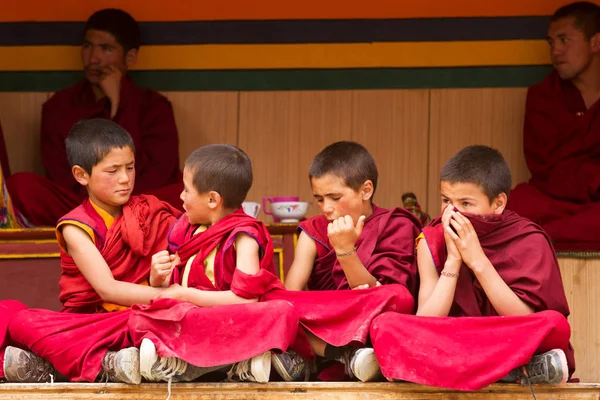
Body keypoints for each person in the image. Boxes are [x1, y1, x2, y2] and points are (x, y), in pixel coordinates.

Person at [370, 145, 574, 390]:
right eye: (446, 200)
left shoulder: (528, 238)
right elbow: (426, 321)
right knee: (386, 325)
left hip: (502, 335)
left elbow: (523, 317)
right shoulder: (432, 239)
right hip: (455, 337)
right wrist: (453, 261)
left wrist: (477, 260)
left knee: (554, 325)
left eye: (466, 203)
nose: (452, 212)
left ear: (498, 203)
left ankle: (441, 371)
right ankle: (514, 371)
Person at [2, 119, 180, 384]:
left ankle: (72, 362)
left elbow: (184, 260)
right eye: (113, 171)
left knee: (170, 319)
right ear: (81, 175)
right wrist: (173, 296)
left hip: (143, 315)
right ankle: (110, 361)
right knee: (19, 319)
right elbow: (107, 290)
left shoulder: (150, 213)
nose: (125, 179)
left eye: (130, 168)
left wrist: (164, 279)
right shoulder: (76, 227)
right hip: (94, 323)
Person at [126, 144, 302, 384]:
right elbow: (178, 282)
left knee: (282, 312)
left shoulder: (243, 236)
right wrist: (157, 277)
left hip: (228, 321)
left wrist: (186, 295)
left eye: (186, 190)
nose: (181, 197)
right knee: (140, 317)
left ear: (212, 199)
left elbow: (246, 300)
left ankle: (186, 364)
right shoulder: (188, 230)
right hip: (195, 319)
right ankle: (239, 362)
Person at [7, 8, 183, 226]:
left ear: (130, 57)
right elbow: (61, 177)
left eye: (106, 48)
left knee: (187, 192)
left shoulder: (154, 107)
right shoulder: (59, 106)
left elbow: (158, 175)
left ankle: (118, 225)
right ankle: (112, 225)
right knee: (21, 185)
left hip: (140, 204)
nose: (93, 58)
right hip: (82, 205)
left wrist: (119, 104)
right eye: (88, 46)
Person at [270, 141, 420, 382]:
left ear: (366, 190)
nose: (326, 208)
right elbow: (291, 294)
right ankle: (342, 354)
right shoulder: (315, 230)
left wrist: (345, 251)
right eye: (319, 199)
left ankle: (318, 353)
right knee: (273, 301)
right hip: (327, 313)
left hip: (366, 311)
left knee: (398, 298)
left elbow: (381, 293)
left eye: (334, 197)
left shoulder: (396, 224)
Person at [507, 1, 600, 251]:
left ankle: (538, 236)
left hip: (596, 204)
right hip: (553, 198)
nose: (555, 51)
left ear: (596, 42)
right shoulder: (543, 96)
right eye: (551, 43)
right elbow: (544, 168)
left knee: (520, 229)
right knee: (514, 206)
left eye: (564, 40)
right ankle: (538, 234)